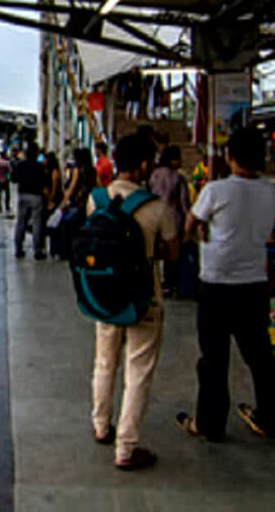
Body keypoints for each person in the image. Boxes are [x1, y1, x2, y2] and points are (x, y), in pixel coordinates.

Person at [177, 127, 275, 441]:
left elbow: (189, 224)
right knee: (260, 355)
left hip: (216, 284)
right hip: (254, 284)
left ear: (229, 156)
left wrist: (200, 231)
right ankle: (268, 418)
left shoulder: (216, 189)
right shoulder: (271, 191)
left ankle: (209, 423)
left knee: (213, 358)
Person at [90, 133, 178, 471]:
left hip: (104, 296)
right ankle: (125, 449)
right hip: (143, 299)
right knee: (137, 371)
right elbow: (172, 255)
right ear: (143, 165)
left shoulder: (96, 200)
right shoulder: (157, 208)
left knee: (104, 361)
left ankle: (101, 426)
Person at [149, 145, 191, 295]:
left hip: (155, 217)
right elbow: (185, 203)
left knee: (155, 251)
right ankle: (171, 284)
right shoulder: (178, 178)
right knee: (173, 254)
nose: (180, 161)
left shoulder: (154, 175)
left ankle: (156, 282)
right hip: (174, 219)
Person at [56, 148, 98, 260]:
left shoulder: (77, 170)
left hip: (78, 204)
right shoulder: (93, 170)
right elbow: (99, 185)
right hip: (90, 203)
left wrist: (63, 203)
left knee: (71, 227)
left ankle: (70, 251)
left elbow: (72, 188)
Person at [12, 142, 48, 259]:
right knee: (37, 223)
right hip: (37, 196)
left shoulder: (20, 165)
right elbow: (44, 181)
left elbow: (13, 178)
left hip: (23, 195)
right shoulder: (40, 166)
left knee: (21, 222)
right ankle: (38, 250)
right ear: (36, 153)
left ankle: (18, 248)